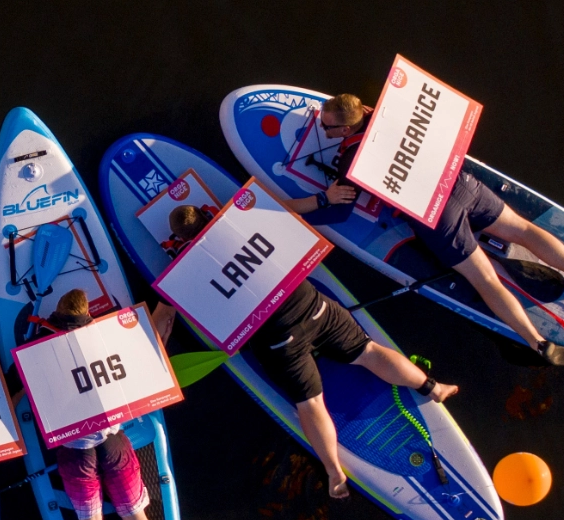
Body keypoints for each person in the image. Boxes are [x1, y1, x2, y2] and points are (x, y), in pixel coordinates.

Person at [273, 92, 564, 366]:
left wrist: (321, 200)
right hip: (460, 183)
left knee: (486, 279)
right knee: (521, 229)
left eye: (328, 126)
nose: (322, 129)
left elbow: (338, 213)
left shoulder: (352, 160)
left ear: (347, 130)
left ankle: (537, 343)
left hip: (438, 217)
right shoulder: (391, 109)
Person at [168, 208, 458, 500]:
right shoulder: (245, 224)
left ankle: (334, 471)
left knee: (310, 403)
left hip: (280, 342)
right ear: (209, 216)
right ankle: (432, 387)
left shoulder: (189, 271)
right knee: (369, 351)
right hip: (317, 309)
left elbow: (172, 315)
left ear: (182, 240)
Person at [41, 289, 177, 520]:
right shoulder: (107, 342)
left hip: (76, 453)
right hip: (113, 443)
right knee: (135, 515)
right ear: (89, 319)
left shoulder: (43, 352)